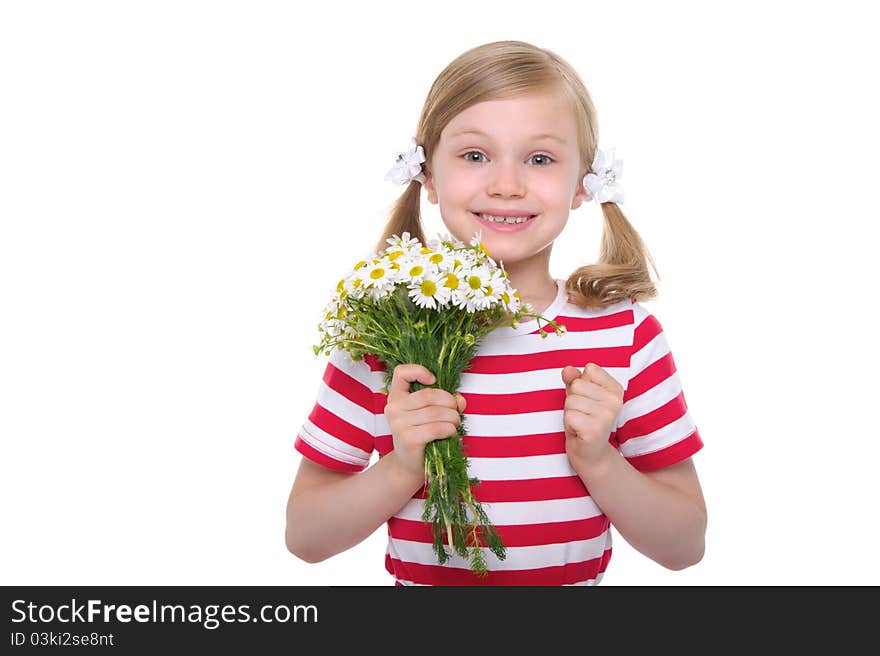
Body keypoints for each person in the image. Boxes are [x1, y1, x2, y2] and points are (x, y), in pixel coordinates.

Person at [285, 40, 706, 585]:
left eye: (540, 158)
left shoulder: (624, 335)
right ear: (428, 175)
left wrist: (600, 461)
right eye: (475, 155)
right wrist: (402, 466)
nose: (507, 184)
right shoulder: (382, 335)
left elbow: (684, 544)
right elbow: (305, 536)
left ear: (583, 182)